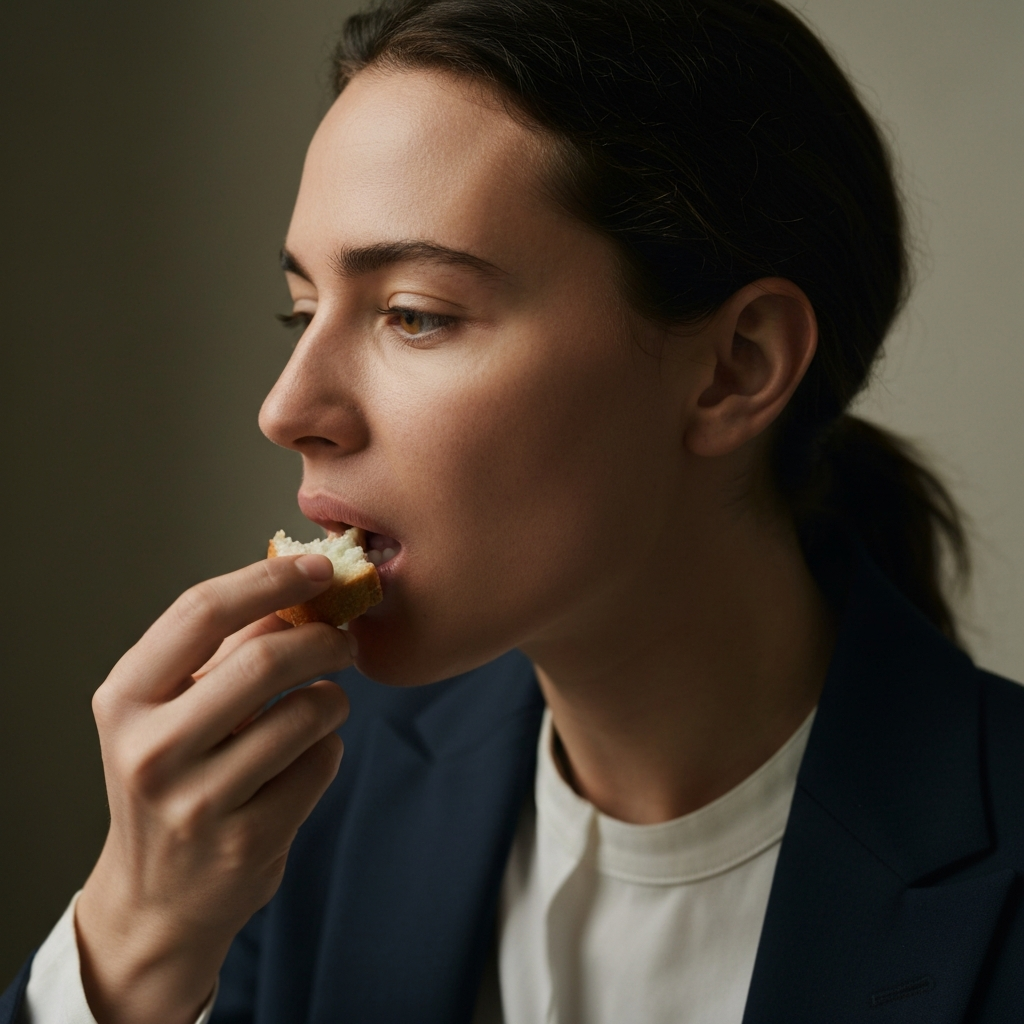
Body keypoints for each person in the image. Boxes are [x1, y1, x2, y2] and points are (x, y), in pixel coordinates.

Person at [3, 0, 1022, 1021]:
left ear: (734, 366)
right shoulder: (294, 807)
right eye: (302, 310)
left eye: (414, 314)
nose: (286, 409)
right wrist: (136, 938)